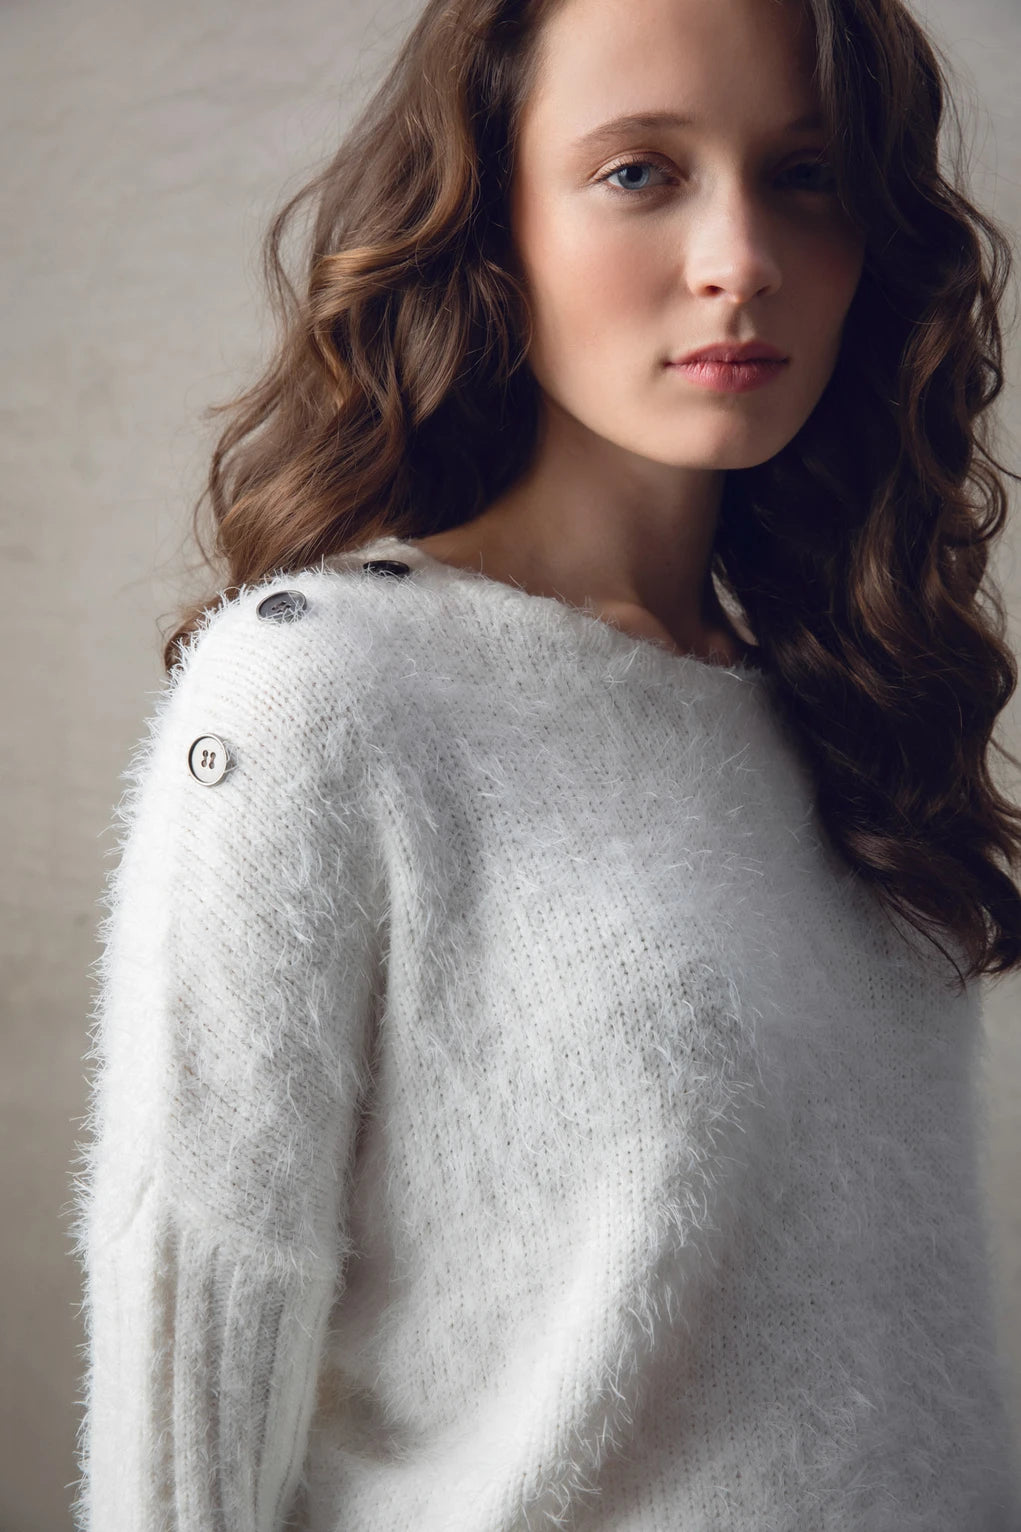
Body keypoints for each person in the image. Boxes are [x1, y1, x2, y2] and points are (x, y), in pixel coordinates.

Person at [67, 0, 1021, 1527]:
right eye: (640, 172)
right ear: (485, 220)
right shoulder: (323, 686)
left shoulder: (838, 702)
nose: (740, 261)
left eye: (806, 175)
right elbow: (201, 1281)